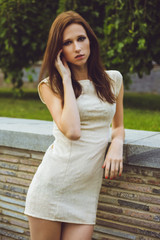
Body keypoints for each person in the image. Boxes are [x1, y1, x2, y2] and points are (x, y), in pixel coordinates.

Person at [24, 10, 125, 240]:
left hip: (85, 195)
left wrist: (117, 143)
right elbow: (72, 131)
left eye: (81, 38)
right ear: (59, 51)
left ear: (90, 40)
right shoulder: (50, 86)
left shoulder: (114, 80)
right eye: (67, 43)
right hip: (51, 188)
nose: (77, 47)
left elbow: (117, 126)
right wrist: (67, 80)